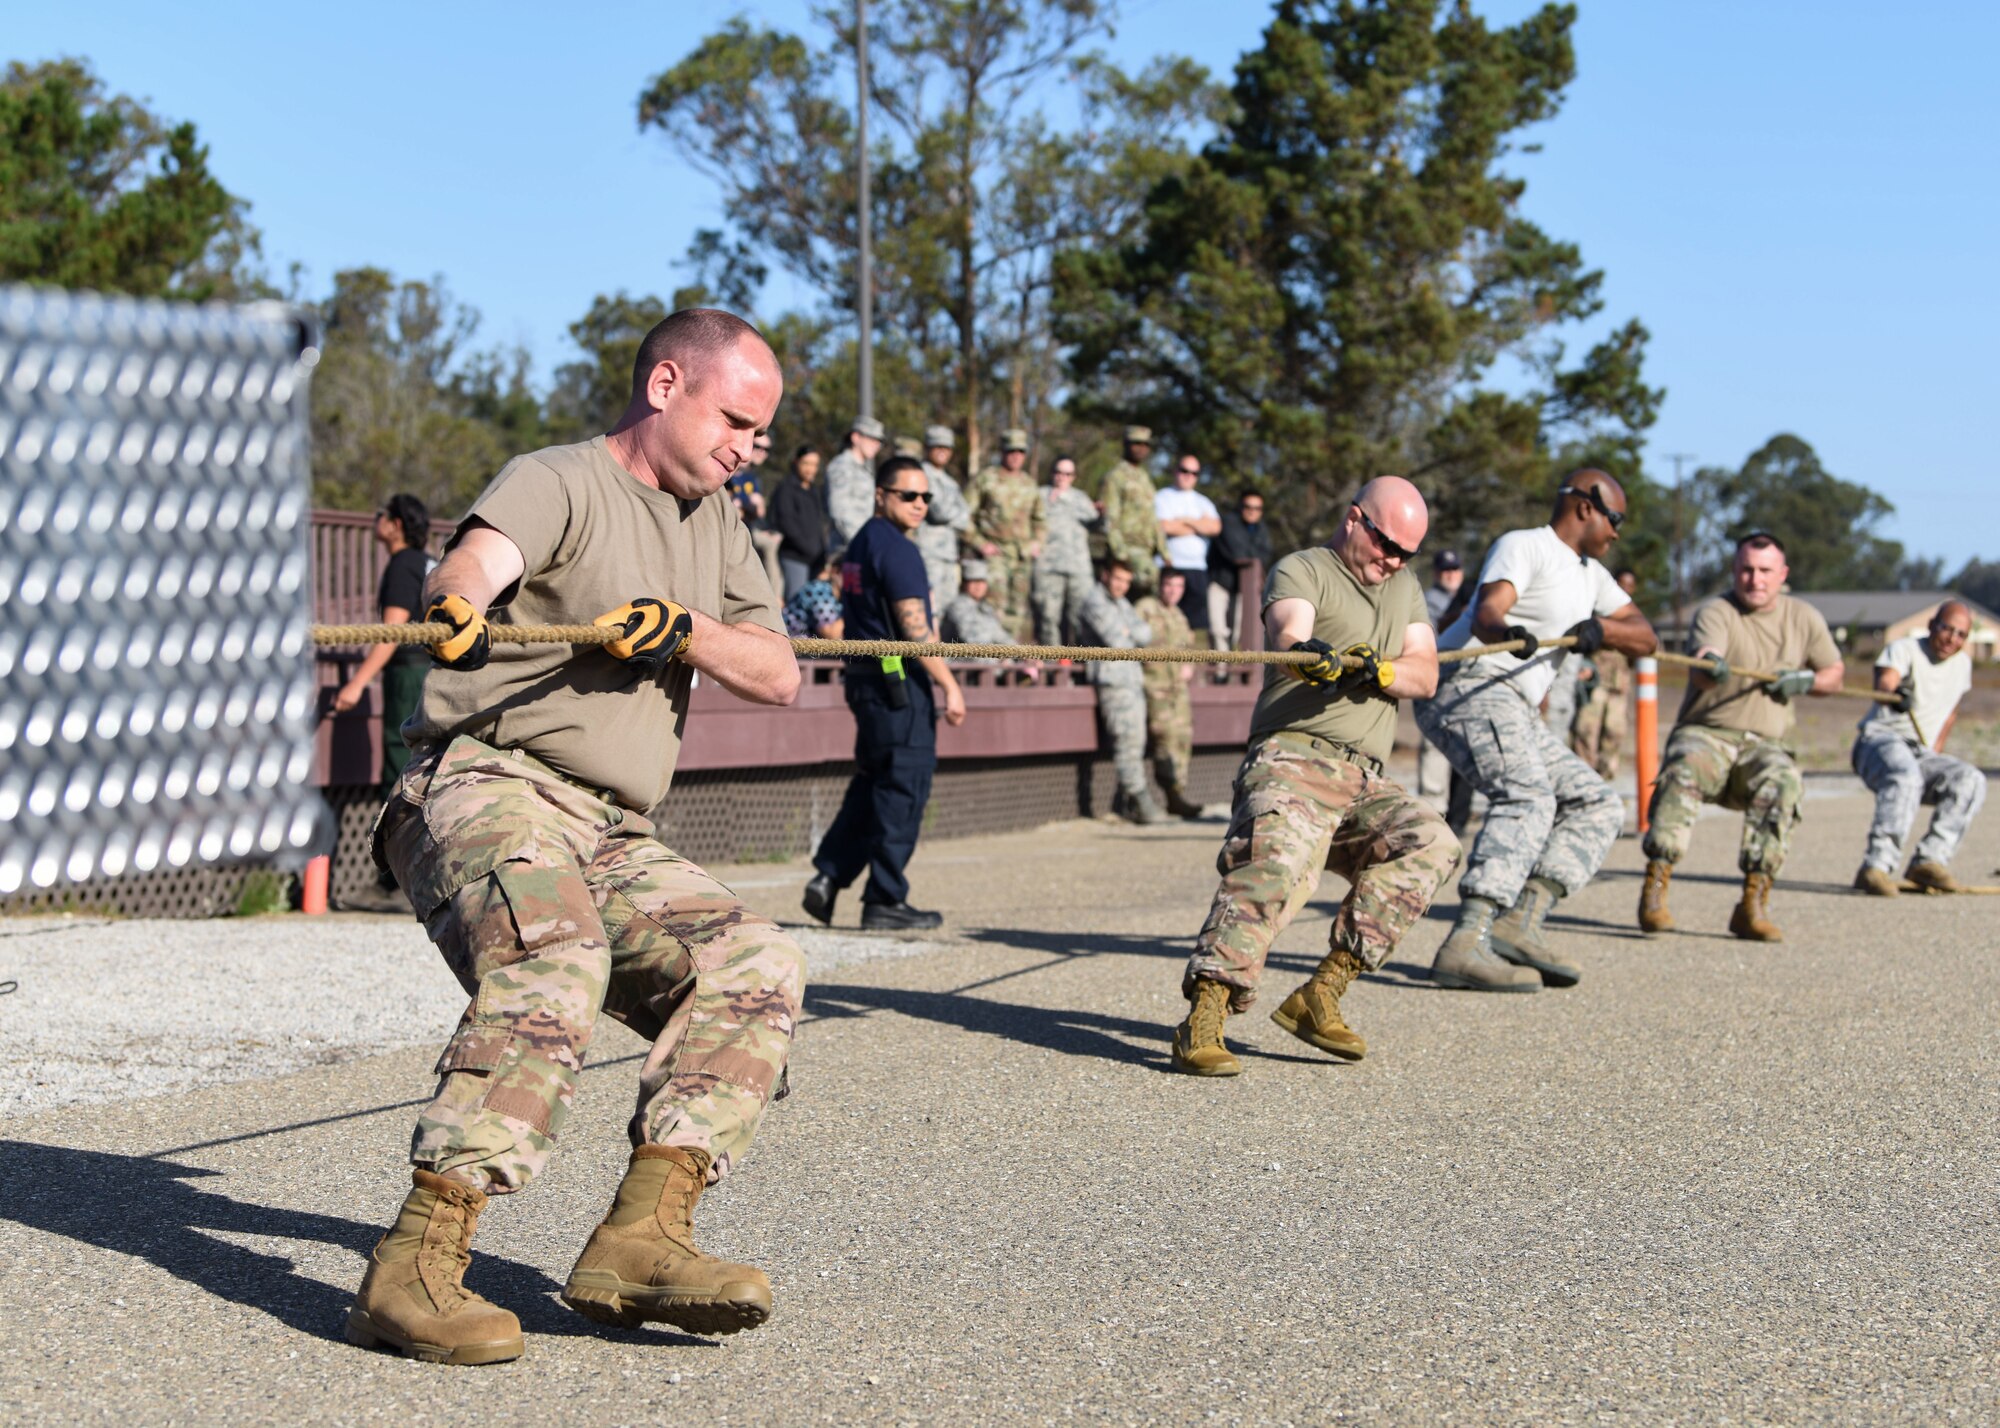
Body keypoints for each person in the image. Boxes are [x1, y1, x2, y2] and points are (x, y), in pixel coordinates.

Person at [348, 309, 807, 1364]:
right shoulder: (559, 477)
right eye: (735, 420)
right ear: (663, 387)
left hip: (609, 823)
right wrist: (456, 602)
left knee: (754, 962)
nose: (747, 448)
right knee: (556, 955)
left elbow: (777, 672)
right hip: (484, 782)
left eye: (762, 436)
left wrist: (687, 628)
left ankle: (642, 1239)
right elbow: (474, 562)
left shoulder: (719, 525)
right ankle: (414, 1265)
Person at [1172, 477, 1459, 1076]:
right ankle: (1205, 1016)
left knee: (1434, 841)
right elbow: (1288, 633)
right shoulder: (1303, 569)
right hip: (1293, 760)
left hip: (1364, 780)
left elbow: (1424, 673)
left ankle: (1322, 993)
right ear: (1355, 519)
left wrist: (1378, 673)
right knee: (1274, 865)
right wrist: (1315, 656)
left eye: (1408, 552)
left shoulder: (1403, 587)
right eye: (1386, 544)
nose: (1394, 560)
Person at [1416, 472, 1657, 992]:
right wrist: (1509, 635)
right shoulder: (1526, 545)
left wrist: (1602, 630)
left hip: (1516, 706)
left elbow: (1647, 638)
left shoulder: (1592, 576)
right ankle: (1465, 941)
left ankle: (1518, 923)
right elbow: (1486, 612)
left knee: (1597, 803)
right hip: (1468, 684)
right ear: (1585, 507)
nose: (1617, 533)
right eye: (1615, 519)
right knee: (1528, 795)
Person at [1638, 532, 1844, 941]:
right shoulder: (1716, 611)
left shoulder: (1804, 617)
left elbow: (1834, 673)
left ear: (1782, 574)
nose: (1755, 579)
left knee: (1784, 781)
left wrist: (1808, 681)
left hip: (1765, 745)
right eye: (1746, 570)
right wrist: (1710, 665)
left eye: (1765, 571)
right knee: (1685, 769)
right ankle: (1655, 890)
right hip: (1708, 734)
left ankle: (1753, 904)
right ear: (1734, 571)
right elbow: (1703, 656)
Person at [804, 456, 968, 932]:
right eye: (907, 495)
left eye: (925, 497)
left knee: (873, 783)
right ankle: (885, 899)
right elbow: (917, 633)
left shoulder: (861, 542)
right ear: (881, 495)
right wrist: (951, 686)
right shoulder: (897, 549)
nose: (919, 505)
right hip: (897, 686)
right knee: (903, 789)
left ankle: (829, 876)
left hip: (865, 681)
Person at [329, 494, 433, 911]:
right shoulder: (427, 562)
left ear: (395, 525)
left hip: (407, 674)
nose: (375, 521)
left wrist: (356, 684)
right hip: (430, 670)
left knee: (398, 770)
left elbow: (392, 634)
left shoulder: (401, 564)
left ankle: (394, 886)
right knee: (422, 770)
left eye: (380, 515)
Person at [1851, 601, 1985, 895]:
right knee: (1905, 774)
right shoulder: (1904, 649)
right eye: (1946, 629)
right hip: (1880, 741)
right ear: (1931, 625)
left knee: (1970, 780)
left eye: (1961, 634)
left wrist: (1934, 750)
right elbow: (1885, 682)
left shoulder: (1962, 664)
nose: (1952, 639)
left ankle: (1928, 863)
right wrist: (1896, 693)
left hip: (1920, 752)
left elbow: (1951, 712)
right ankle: (1876, 867)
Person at [1077, 557, 1161, 824]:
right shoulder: (1095, 600)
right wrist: (1129, 632)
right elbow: (1116, 640)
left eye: (1126, 581)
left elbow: (1145, 633)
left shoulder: (1121, 603)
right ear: (1105, 576)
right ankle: (1142, 804)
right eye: (1117, 579)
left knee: (1137, 741)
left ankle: (1127, 803)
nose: (1122, 586)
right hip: (1113, 680)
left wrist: (1129, 631)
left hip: (1131, 679)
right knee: (1127, 741)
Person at [962, 426, 1046, 642]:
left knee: (1017, 610)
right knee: (992, 606)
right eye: (1011, 451)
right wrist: (980, 543)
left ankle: (1011, 662)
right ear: (1002, 452)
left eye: (1020, 452)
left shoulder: (1029, 484)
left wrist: (1037, 543)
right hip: (994, 553)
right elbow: (964, 516)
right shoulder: (986, 479)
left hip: (1021, 555)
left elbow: (1040, 520)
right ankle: (992, 661)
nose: (1016, 456)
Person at [1135, 568, 1204, 818]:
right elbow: (1131, 640)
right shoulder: (1145, 608)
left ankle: (1178, 792)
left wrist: (1189, 665)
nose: (1173, 591)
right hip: (1155, 685)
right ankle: (1170, 793)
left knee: (1183, 738)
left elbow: (1190, 646)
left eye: (1178, 586)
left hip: (1178, 688)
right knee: (1164, 738)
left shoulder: (1179, 615)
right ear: (1159, 585)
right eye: (1168, 585)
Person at [1571, 569, 1638, 778]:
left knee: (1614, 733)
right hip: (1596, 684)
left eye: (1629, 585)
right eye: (1620, 584)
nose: (1624, 589)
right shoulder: (1596, 616)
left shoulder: (1634, 620)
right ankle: (1583, 777)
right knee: (1586, 731)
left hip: (1619, 687)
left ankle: (1605, 778)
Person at [1413, 548, 1463, 810]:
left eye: (1454, 570)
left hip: (1462, 685)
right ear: (1435, 573)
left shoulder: (1469, 599)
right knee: (1434, 748)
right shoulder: (1426, 600)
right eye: (1445, 570)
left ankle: (1454, 813)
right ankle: (1432, 811)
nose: (1450, 575)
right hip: (1438, 680)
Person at [1033, 454, 1100, 644]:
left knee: (1082, 618)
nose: (1062, 477)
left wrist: (1103, 515)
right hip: (1048, 567)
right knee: (1047, 618)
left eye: (1067, 474)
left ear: (1073, 477)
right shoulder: (1039, 495)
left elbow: (1098, 525)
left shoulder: (1081, 499)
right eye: (1058, 472)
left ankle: (1080, 668)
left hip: (1078, 569)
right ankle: (1051, 667)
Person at [1155, 453, 1221, 629]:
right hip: (1169, 565)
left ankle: (1188, 656)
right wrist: (1199, 524)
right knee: (1165, 619)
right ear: (1176, 471)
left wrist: (1184, 519)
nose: (1188, 475)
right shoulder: (1162, 496)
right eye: (1184, 470)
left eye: (1194, 473)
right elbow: (1164, 526)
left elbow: (1214, 528)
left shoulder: (1203, 501)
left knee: (1194, 624)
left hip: (1197, 569)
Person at [1099, 425, 1168, 595]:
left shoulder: (1145, 479)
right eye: (1136, 443)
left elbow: (1153, 518)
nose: (1141, 448)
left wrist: (1165, 552)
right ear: (1126, 445)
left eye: (1145, 445)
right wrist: (1120, 554)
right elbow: (1110, 519)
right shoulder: (1115, 477)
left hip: (1146, 551)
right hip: (1125, 550)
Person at [1206, 488, 1274, 651]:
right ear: (1240, 507)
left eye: (1257, 508)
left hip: (1243, 591)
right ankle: (1221, 673)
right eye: (1248, 507)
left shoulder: (1261, 529)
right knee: (1218, 630)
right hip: (1220, 585)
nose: (1252, 512)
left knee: (1237, 633)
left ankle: (1231, 670)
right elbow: (1237, 552)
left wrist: (1253, 554)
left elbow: (1265, 554)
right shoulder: (1228, 522)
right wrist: (1253, 554)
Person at [916, 424, 972, 604]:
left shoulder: (950, 481)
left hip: (948, 555)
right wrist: (957, 513)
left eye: (946, 447)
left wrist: (955, 514)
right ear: (928, 448)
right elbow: (939, 512)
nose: (942, 451)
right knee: (929, 608)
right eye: (937, 446)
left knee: (948, 609)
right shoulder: (920, 475)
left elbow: (966, 517)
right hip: (928, 553)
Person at [769, 445, 828, 599]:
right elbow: (787, 523)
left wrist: (821, 555)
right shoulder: (786, 489)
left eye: (815, 465)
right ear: (796, 462)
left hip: (815, 561)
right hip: (794, 558)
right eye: (806, 463)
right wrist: (809, 549)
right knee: (797, 604)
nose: (811, 469)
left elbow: (818, 525)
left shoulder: (814, 491)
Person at [729, 433, 784, 594]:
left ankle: (774, 599)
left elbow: (759, 511)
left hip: (749, 531)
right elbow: (735, 508)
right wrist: (747, 505)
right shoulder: (730, 470)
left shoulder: (752, 477)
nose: (762, 452)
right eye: (757, 446)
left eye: (767, 449)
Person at [826, 416, 885, 546]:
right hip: (847, 548)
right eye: (872, 439)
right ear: (856, 437)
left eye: (879, 441)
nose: (877, 445)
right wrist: (862, 543)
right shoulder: (841, 466)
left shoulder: (864, 471)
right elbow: (839, 511)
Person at [940, 558, 1017, 646]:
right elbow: (972, 640)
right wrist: (998, 659)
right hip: (961, 658)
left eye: (982, 581)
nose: (978, 586)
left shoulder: (985, 606)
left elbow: (998, 634)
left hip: (984, 657)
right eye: (974, 581)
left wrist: (1022, 653)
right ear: (964, 584)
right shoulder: (958, 606)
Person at [780, 552, 844, 640]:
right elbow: (831, 634)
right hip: (790, 644)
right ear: (835, 572)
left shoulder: (839, 596)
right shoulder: (819, 591)